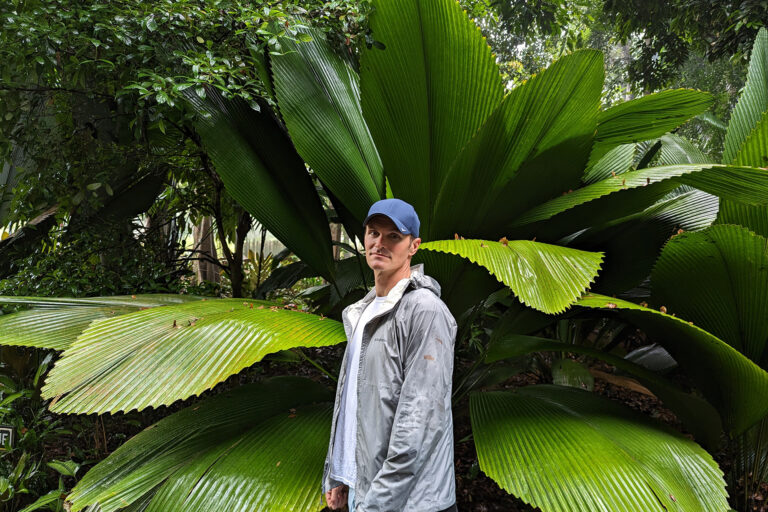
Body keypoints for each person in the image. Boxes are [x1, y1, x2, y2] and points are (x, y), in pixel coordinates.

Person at [322, 198, 458, 511]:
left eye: (393, 236)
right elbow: (355, 402)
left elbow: (419, 423)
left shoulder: (425, 311)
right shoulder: (363, 312)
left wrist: (378, 503)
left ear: (414, 246)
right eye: (373, 233)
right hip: (365, 489)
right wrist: (341, 476)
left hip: (410, 501)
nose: (380, 243)